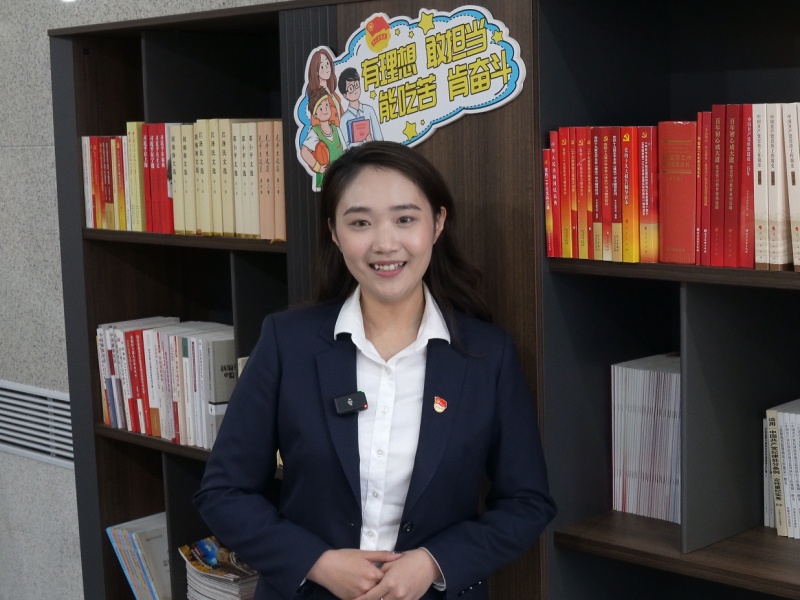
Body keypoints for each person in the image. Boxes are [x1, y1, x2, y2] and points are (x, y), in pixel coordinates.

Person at [194, 141, 557, 600]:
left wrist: (434, 563)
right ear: (334, 232)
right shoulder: (287, 343)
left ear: (437, 223)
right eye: (360, 222)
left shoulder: (487, 355)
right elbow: (224, 492)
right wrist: (317, 562)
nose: (385, 244)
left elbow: (527, 502)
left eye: (405, 219)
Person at [301, 88, 346, 190]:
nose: (325, 110)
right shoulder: (315, 132)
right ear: (315, 115)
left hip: (339, 179)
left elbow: (345, 151)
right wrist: (318, 167)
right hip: (323, 182)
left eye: (327, 105)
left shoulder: (336, 129)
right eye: (321, 108)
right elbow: (304, 151)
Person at [338, 67, 383, 148]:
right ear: (345, 95)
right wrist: (364, 142)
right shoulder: (344, 119)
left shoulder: (369, 110)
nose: (355, 89)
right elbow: (346, 146)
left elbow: (379, 137)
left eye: (356, 84)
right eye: (351, 88)